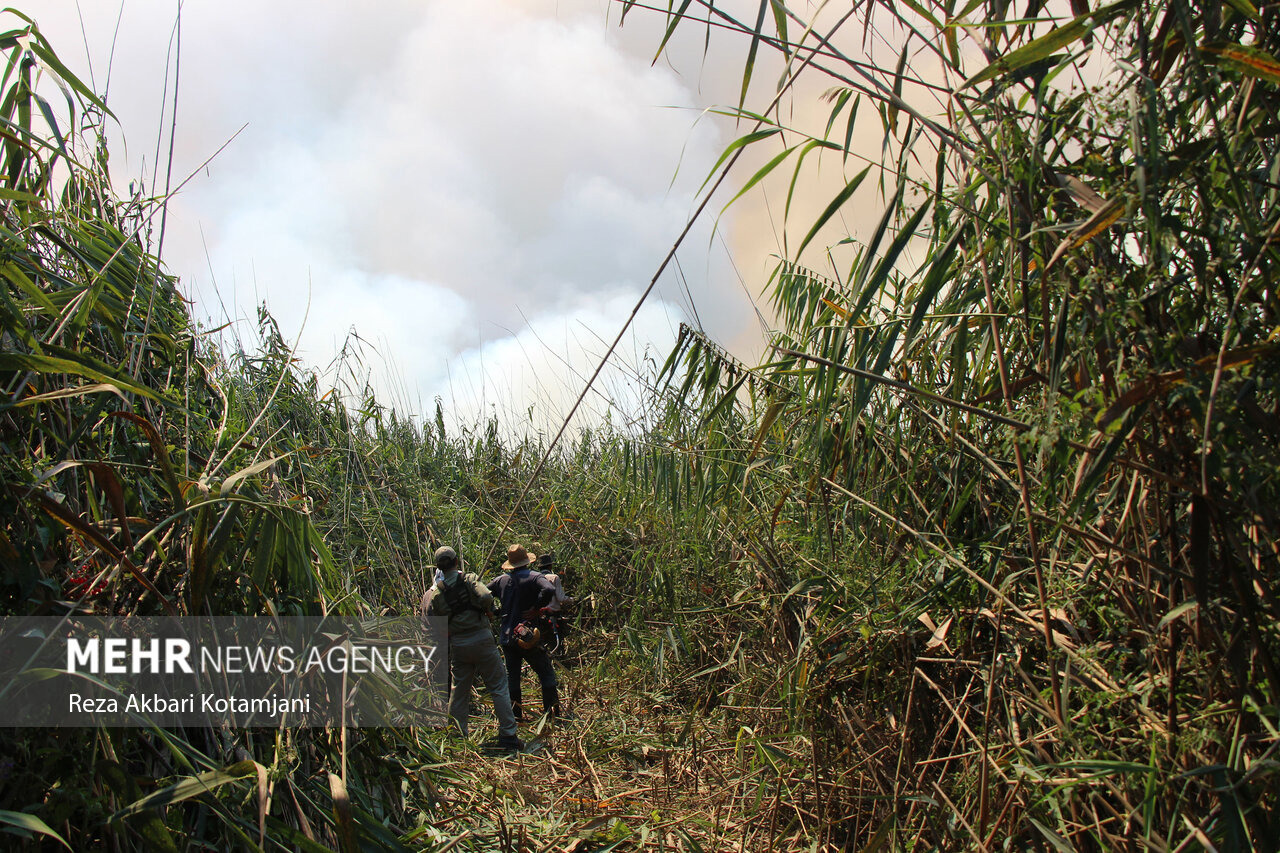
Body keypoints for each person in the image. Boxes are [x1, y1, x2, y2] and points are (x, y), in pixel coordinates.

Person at [428, 546, 522, 753]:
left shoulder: (437, 593)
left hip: (459, 645)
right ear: (455, 561)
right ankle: (508, 734)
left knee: (459, 691)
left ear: (439, 567)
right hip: (481, 638)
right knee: (498, 686)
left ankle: (457, 736)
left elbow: (437, 622)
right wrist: (485, 610)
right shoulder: (468, 580)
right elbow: (487, 596)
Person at [489, 544, 560, 721]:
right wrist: (536, 608)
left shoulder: (501, 581)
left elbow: (483, 592)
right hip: (528, 635)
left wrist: (494, 611)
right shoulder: (534, 577)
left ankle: (515, 717)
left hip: (507, 637)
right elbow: (549, 590)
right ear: (527, 561)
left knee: (512, 678)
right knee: (546, 673)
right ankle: (552, 716)